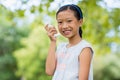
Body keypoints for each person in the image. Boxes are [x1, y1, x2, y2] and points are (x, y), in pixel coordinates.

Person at [45, 4, 94, 80]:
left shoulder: (84, 49)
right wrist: (53, 42)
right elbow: (49, 71)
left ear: (80, 22)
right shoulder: (61, 47)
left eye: (69, 21)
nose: (64, 26)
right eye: (60, 22)